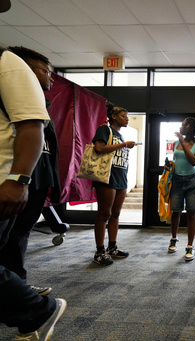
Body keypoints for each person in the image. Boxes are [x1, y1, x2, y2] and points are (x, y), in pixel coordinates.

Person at [0, 47, 67, 341]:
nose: (50, 77)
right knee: (9, 246)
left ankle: (28, 301)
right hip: (23, 179)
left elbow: (35, 134)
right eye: (45, 71)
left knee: (17, 239)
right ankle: (22, 297)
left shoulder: (7, 66)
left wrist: (21, 179)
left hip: (17, 180)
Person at [92, 102, 137, 266]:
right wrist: (124, 145)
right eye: (124, 116)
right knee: (104, 214)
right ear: (113, 116)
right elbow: (99, 147)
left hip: (120, 177)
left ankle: (112, 247)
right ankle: (99, 251)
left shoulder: (119, 134)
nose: (127, 119)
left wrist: (124, 144)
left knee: (116, 214)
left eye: (127, 116)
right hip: (106, 177)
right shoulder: (105, 129)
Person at [167, 117, 195, 261]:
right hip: (176, 179)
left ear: (191, 127)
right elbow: (177, 160)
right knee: (175, 212)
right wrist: (169, 166)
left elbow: (194, 161)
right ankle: (173, 239)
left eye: (184, 124)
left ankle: (190, 246)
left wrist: (183, 142)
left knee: (191, 214)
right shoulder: (176, 143)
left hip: (192, 181)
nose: (181, 126)